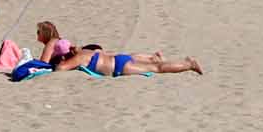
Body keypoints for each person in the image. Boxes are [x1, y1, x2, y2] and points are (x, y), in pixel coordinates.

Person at [50, 42, 204, 78]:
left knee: (157, 69)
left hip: (119, 67)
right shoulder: (85, 50)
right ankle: (179, 61)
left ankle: (189, 64)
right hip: (119, 59)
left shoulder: (79, 58)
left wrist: (58, 64)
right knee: (155, 65)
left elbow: (60, 70)